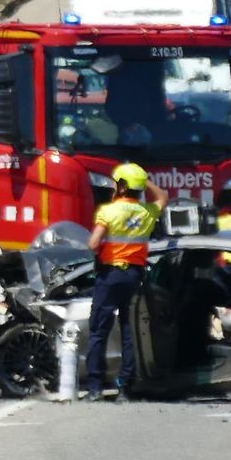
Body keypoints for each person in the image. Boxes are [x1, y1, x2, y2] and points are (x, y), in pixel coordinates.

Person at [85, 162, 169, 402]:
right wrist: (145, 179)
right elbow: (163, 197)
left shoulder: (108, 212)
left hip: (109, 276)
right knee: (129, 330)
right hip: (134, 277)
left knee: (98, 331)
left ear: (121, 187)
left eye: (115, 183)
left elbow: (93, 244)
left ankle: (95, 387)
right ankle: (125, 387)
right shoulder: (146, 213)